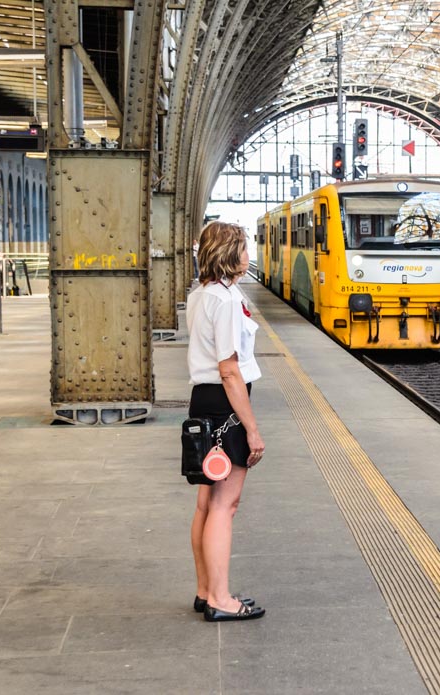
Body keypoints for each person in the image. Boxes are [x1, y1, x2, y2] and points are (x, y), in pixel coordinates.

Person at [185, 221, 266, 622]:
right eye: (245, 248)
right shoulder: (227, 301)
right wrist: (251, 429)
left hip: (203, 401)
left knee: (205, 503)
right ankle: (221, 598)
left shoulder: (202, 294)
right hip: (225, 405)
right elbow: (230, 369)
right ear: (231, 254)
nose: (249, 256)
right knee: (224, 505)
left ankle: (205, 589)